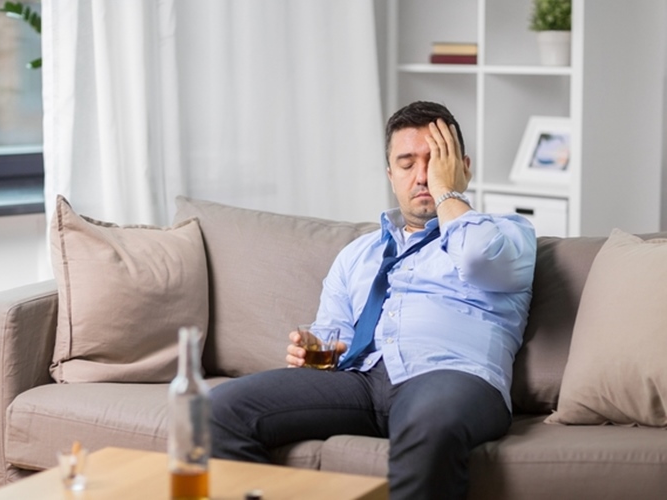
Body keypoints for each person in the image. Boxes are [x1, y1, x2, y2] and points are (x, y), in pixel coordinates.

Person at [210, 101, 537, 499]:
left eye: (436, 161)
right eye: (407, 164)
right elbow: (335, 336)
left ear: (462, 168)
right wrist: (314, 349)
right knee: (216, 410)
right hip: (359, 382)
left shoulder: (506, 235)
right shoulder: (357, 254)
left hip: (451, 376)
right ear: (390, 175)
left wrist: (447, 192)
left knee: (430, 424)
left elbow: (476, 258)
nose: (422, 176)